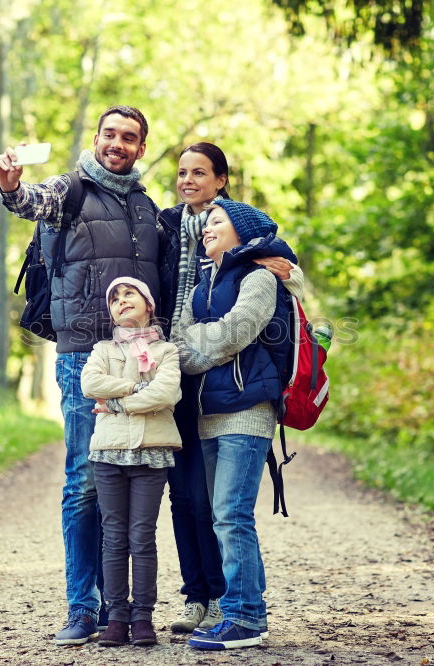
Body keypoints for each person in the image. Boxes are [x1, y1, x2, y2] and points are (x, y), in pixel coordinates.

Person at [0, 106, 177, 646]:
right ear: (96, 139)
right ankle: (83, 607)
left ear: (141, 148)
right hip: (84, 358)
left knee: (129, 481)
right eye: (110, 135)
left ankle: (121, 609)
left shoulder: (146, 207)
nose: (118, 144)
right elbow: (30, 202)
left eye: (130, 138)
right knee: (85, 480)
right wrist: (11, 188)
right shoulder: (68, 191)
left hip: (143, 358)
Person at [159, 143, 303, 634]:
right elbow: (182, 335)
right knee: (224, 515)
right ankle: (244, 613)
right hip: (205, 411)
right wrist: (196, 345)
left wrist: (195, 348)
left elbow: (234, 332)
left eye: (216, 225)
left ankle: (243, 617)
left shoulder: (258, 276)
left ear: (239, 231)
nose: (206, 231)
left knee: (231, 515)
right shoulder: (203, 283)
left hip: (245, 410)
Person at [80, 277, 182, 647]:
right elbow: (90, 384)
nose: (121, 301)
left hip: (152, 452)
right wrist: (139, 388)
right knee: (113, 537)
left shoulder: (167, 352)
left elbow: (168, 392)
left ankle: (142, 617)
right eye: (114, 299)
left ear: (148, 304)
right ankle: (116, 618)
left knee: (142, 536)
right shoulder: (103, 349)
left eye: (129, 294)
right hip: (108, 453)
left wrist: (119, 402)